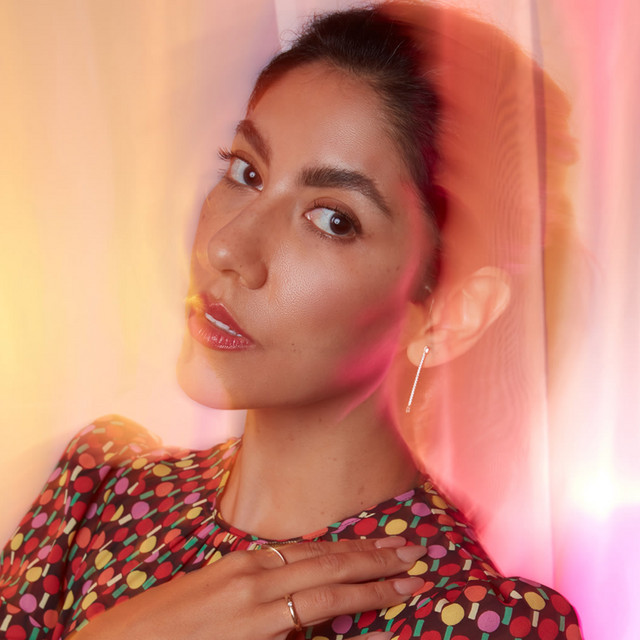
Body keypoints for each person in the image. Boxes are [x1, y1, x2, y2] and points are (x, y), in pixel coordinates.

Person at [0, 2, 582, 639]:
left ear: (448, 315)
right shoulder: (100, 491)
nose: (226, 248)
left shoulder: (471, 622)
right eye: (246, 172)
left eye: (333, 219)